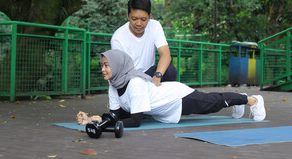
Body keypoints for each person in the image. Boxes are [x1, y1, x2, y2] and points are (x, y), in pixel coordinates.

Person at [76, 49, 266, 127]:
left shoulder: (134, 83)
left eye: (107, 65)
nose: (103, 69)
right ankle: (240, 99)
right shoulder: (114, 84)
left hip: (177, 96)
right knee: (213, 103)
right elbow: (117, 114)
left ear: (117, 65)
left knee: (213, 103)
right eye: (102, 65)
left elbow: (135, 120)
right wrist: (94, 120)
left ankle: (251, 100)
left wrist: (104, 123)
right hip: (167, 108)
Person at [111, 0, 177, 87]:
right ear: (128, 16)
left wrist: (157, 75)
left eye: (143, 19)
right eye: (134, 19)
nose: (138, 23)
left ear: (149, 17)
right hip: (129, 78)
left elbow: (166, 55)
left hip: (148, 74)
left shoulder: (155, 26)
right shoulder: (117, 38)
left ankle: (163, 99)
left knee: (170, 70)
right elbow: (121, 72)